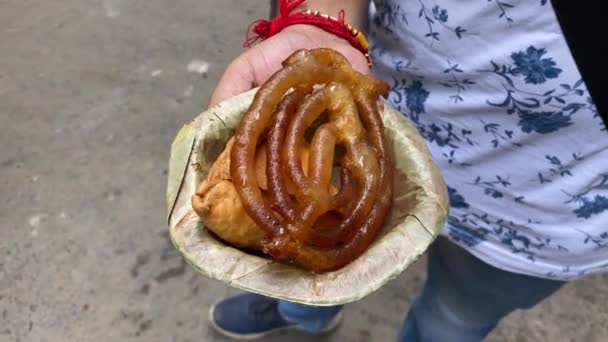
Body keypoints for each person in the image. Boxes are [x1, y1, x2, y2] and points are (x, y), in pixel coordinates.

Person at [206, 1, 607, 341]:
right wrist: (326, 19)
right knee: (311, 258)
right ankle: (303, 314)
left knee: (451, 318)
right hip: (370, 102)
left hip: (544, 208)